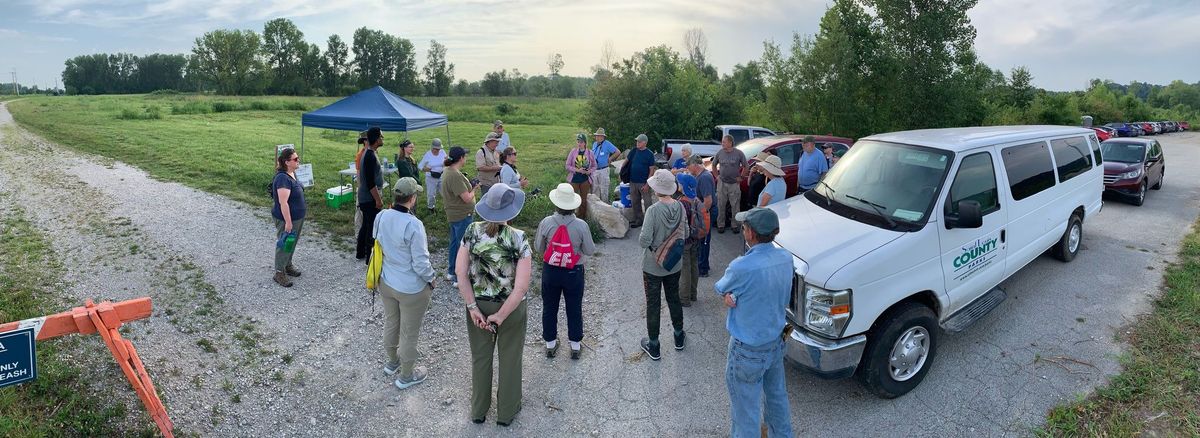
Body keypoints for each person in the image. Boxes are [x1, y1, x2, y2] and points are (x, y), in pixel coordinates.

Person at [456, 183, 532, 427]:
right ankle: (506, 412)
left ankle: (478, 410)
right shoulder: (519, 238)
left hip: (479, 302)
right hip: (509, 307)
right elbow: (520, 287)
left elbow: (460, 273)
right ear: (511, 211)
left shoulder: (471, 231)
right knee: (510, 358)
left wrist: (472, 308)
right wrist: (500, 315)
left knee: (480, 357)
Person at [714, 207, 794, 437]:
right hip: (775, 341)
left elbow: (721, 288)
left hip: (747, 349)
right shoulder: (785, 258)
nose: (743, 230)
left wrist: (730, 297)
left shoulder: (741, 266)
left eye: (744, 227)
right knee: (777, 397)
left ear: (751, 233)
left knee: (745, 410)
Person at [373, 177, 435, 390]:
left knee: (391, 322)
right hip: (411, 288)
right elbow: (420, 262)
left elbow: (377, 241)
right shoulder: (414, 225)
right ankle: (407, 375)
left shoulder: (381, 216)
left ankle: (392, 362)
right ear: (413, 198)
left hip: (387, 281)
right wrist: (431, 277)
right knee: (409, 332)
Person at [534, 184, 597, 360]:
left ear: (555, 203)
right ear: (573, 206)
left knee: (549, 306)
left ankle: (550, 344)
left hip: (551, 271)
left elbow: (538, 247)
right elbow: (590, 250)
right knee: (574, 307)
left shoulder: (546, 222)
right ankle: (575, 345)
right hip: (573, 271)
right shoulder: (581, 225)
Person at [639, 169, 689, 361]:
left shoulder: (652, 210)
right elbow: (685, 233)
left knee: (653, 304)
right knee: (673, 298)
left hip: (652, 266)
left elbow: (644, 240)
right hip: (674, 263)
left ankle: (654, 345)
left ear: (656, 189)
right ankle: (678, 336)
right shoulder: (680, 207)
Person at [440, 146, 478, 288]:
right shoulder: (454, 175)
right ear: (461, 158)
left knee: (455, 243)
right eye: (465, 156)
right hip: (462, 215)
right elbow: (467, 198)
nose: (465, 159)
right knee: (462, 247)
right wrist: (474, 188)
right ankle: (458, 277)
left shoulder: (448, 171)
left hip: (454, 213)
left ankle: (451, 271)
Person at [271, 148, 306, 287]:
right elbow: (283, 202)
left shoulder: (292, 174)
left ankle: (287, 265)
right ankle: (279, 272)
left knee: (291, 242)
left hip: (298, 216)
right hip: (287, 218)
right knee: (285, 243)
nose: (298, 161)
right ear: (287, 162)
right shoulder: (282, 178)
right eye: (295, 159)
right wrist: (288, 222)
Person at [356, 127, 385, 262]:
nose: (382, 139)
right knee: (371, 227)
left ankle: (360, 253)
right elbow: (370, 183)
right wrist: (378, 200)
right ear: (376, 139)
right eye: (381, 137)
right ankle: (370, 258)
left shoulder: (370, 153)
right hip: (369, 198)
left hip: (366, 197)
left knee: (366, 225)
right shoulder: (369, 156)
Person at [686, 155, 717, 278]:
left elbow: (708, 200)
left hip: (707, 212)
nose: (688, 169)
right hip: (704, 212)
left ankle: (703, 269)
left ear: (694, 165)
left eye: (688, 167)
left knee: (703, 240)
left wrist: (700, 217)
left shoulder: (704, 178)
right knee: (701, 240)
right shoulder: (700, 176)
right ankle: (703, 265)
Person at [675, 172, 702, 307]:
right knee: (694, 266)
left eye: (680, 183)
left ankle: (684, 299)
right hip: (695, 238)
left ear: (683, 186)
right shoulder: (696, 200)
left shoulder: (681, 203)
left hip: (684, 240)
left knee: (684, 269)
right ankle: (693, 294)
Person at [712, 134, 747, 233]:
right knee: (720, 205)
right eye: (722, 142)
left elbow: (746, 166)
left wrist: (741, 177)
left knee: (735, 205)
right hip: (722, 183)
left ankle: (735, 225)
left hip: (734, 184)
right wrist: (716, 176)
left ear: (730, 142)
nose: (722, 144)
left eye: (724, 142)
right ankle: (721, 225)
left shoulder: (739, 153)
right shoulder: (720, 153)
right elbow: (714, 165)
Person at [626, 133, 658, 228]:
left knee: (648, 203)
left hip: (644, 182)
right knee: (635, 202)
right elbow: (626, 161)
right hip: (633, 181)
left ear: (644, 143)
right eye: (637, 141)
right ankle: (639, 220)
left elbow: (651, 169)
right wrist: (621, 173)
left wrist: (648, 184)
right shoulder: (634, 151)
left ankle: (650, 223)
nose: (637, 143)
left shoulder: (650, 154)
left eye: (639, 141)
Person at [565, 133, 598, 220]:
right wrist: (577, 170)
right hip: (574, 179)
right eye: (578, 141)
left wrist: (589, 172)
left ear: (585, 143)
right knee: (573, 199)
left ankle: (582, 218)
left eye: (581, 142)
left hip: (585, 180)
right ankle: (570, 217)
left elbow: (595, 166)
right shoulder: (573, 152)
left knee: (583, 200)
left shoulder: (590, 153)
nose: (579, 144)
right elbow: (567, 165)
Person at [590, 128, 621, 202]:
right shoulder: (594, 144)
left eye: (599, 136)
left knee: (604, 190)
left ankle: (605, 207)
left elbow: (618, 152)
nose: (597, 137)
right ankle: (596, 207)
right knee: (595, 190)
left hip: (603, 170)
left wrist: (610, 159)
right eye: (597, 136)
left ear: (603, 137)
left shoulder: (607, 144)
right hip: (595, 170)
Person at [417, 139, 446, 211]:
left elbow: (447, 160)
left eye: (439, 149)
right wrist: (425, 169)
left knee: (445, 193)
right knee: (431, 194)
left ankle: (448, 206)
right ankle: (431, 207)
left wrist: (447, 161)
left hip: (441, 175)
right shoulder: (428, 155)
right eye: (436, 149)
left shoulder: (442, 152)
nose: (438, 150)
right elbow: (420, 166)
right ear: (432, 148)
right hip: (431, 177)